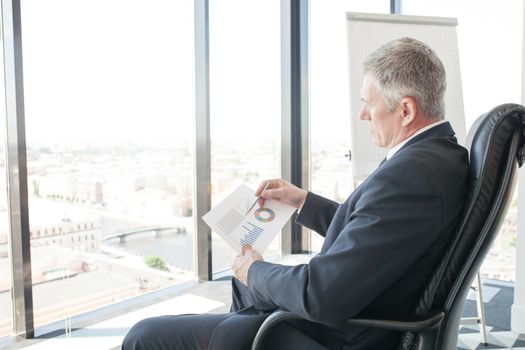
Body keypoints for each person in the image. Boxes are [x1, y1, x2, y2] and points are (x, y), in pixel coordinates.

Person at [122, 37, 469, 350]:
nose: (362, 114)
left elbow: (322, 295)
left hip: (340, 333)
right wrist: (303, 201)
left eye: (369, 103)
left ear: (406, 110)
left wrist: (254, 269)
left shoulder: (411, 176)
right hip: (356, 311)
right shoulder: (437, 157)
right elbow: (375, 231)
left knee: (144, 334)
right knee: (246, 287)